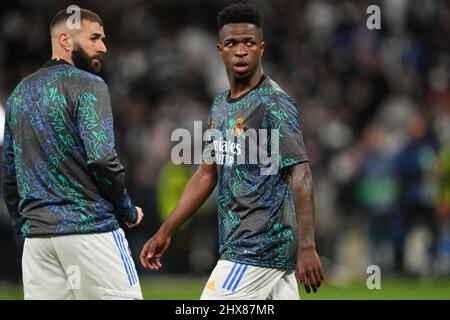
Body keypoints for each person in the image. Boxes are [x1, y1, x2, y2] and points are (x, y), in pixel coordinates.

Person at [140, 2, 324, 300]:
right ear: (220, 50)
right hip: (248, 247)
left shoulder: (273, 103)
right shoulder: (220, 105)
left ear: (261, 48)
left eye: (249, 43)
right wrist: (166, 230)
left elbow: (301, 174)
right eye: (232, 44)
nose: (241, 50)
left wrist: (307, 247)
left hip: (255, 247)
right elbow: (204, 175)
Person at [1, 8, 143, 300]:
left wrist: (25, 229)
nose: (103, 47)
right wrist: (127, 210)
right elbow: (102, 158)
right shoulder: (89, 85)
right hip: (89, 230)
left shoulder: (19, 94)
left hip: (38, 241)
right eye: (94, 38)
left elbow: (9, 175)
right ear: (65, 40)